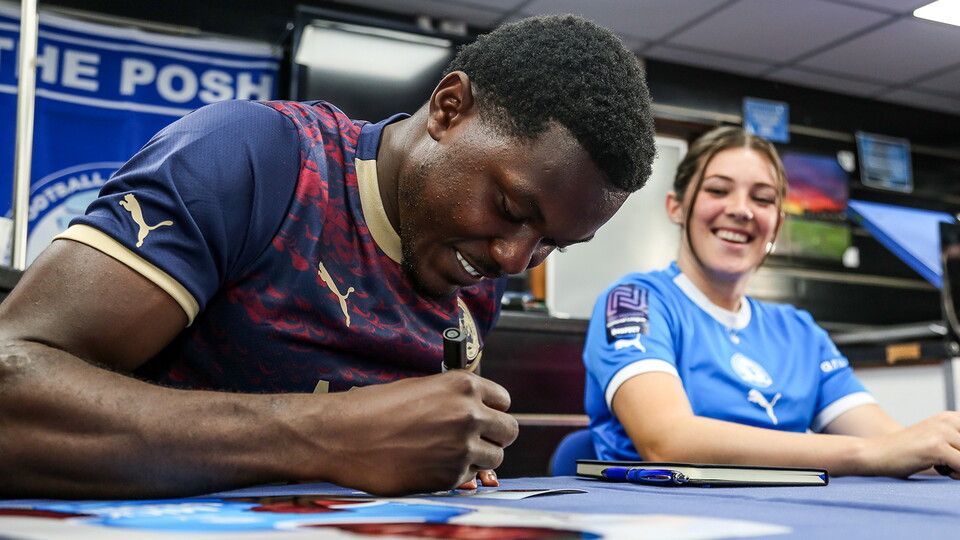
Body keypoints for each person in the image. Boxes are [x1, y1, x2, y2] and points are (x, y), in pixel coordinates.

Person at [0, 14, 656, 498]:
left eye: (552, 245)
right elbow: (13, 384)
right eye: (513, 210)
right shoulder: (255, 158)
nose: (517, 258)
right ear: (449, 110)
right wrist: (324, 433)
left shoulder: (472, 271)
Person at [583, 126, 960, 479]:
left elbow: (890, 443)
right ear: (676, 207)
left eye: (762, 198)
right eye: (718, 190)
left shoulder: (799, 331)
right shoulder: (635, 300)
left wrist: (937, 447)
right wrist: (865, 455)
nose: (742, 209)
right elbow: (666, 441)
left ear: (776, 225)